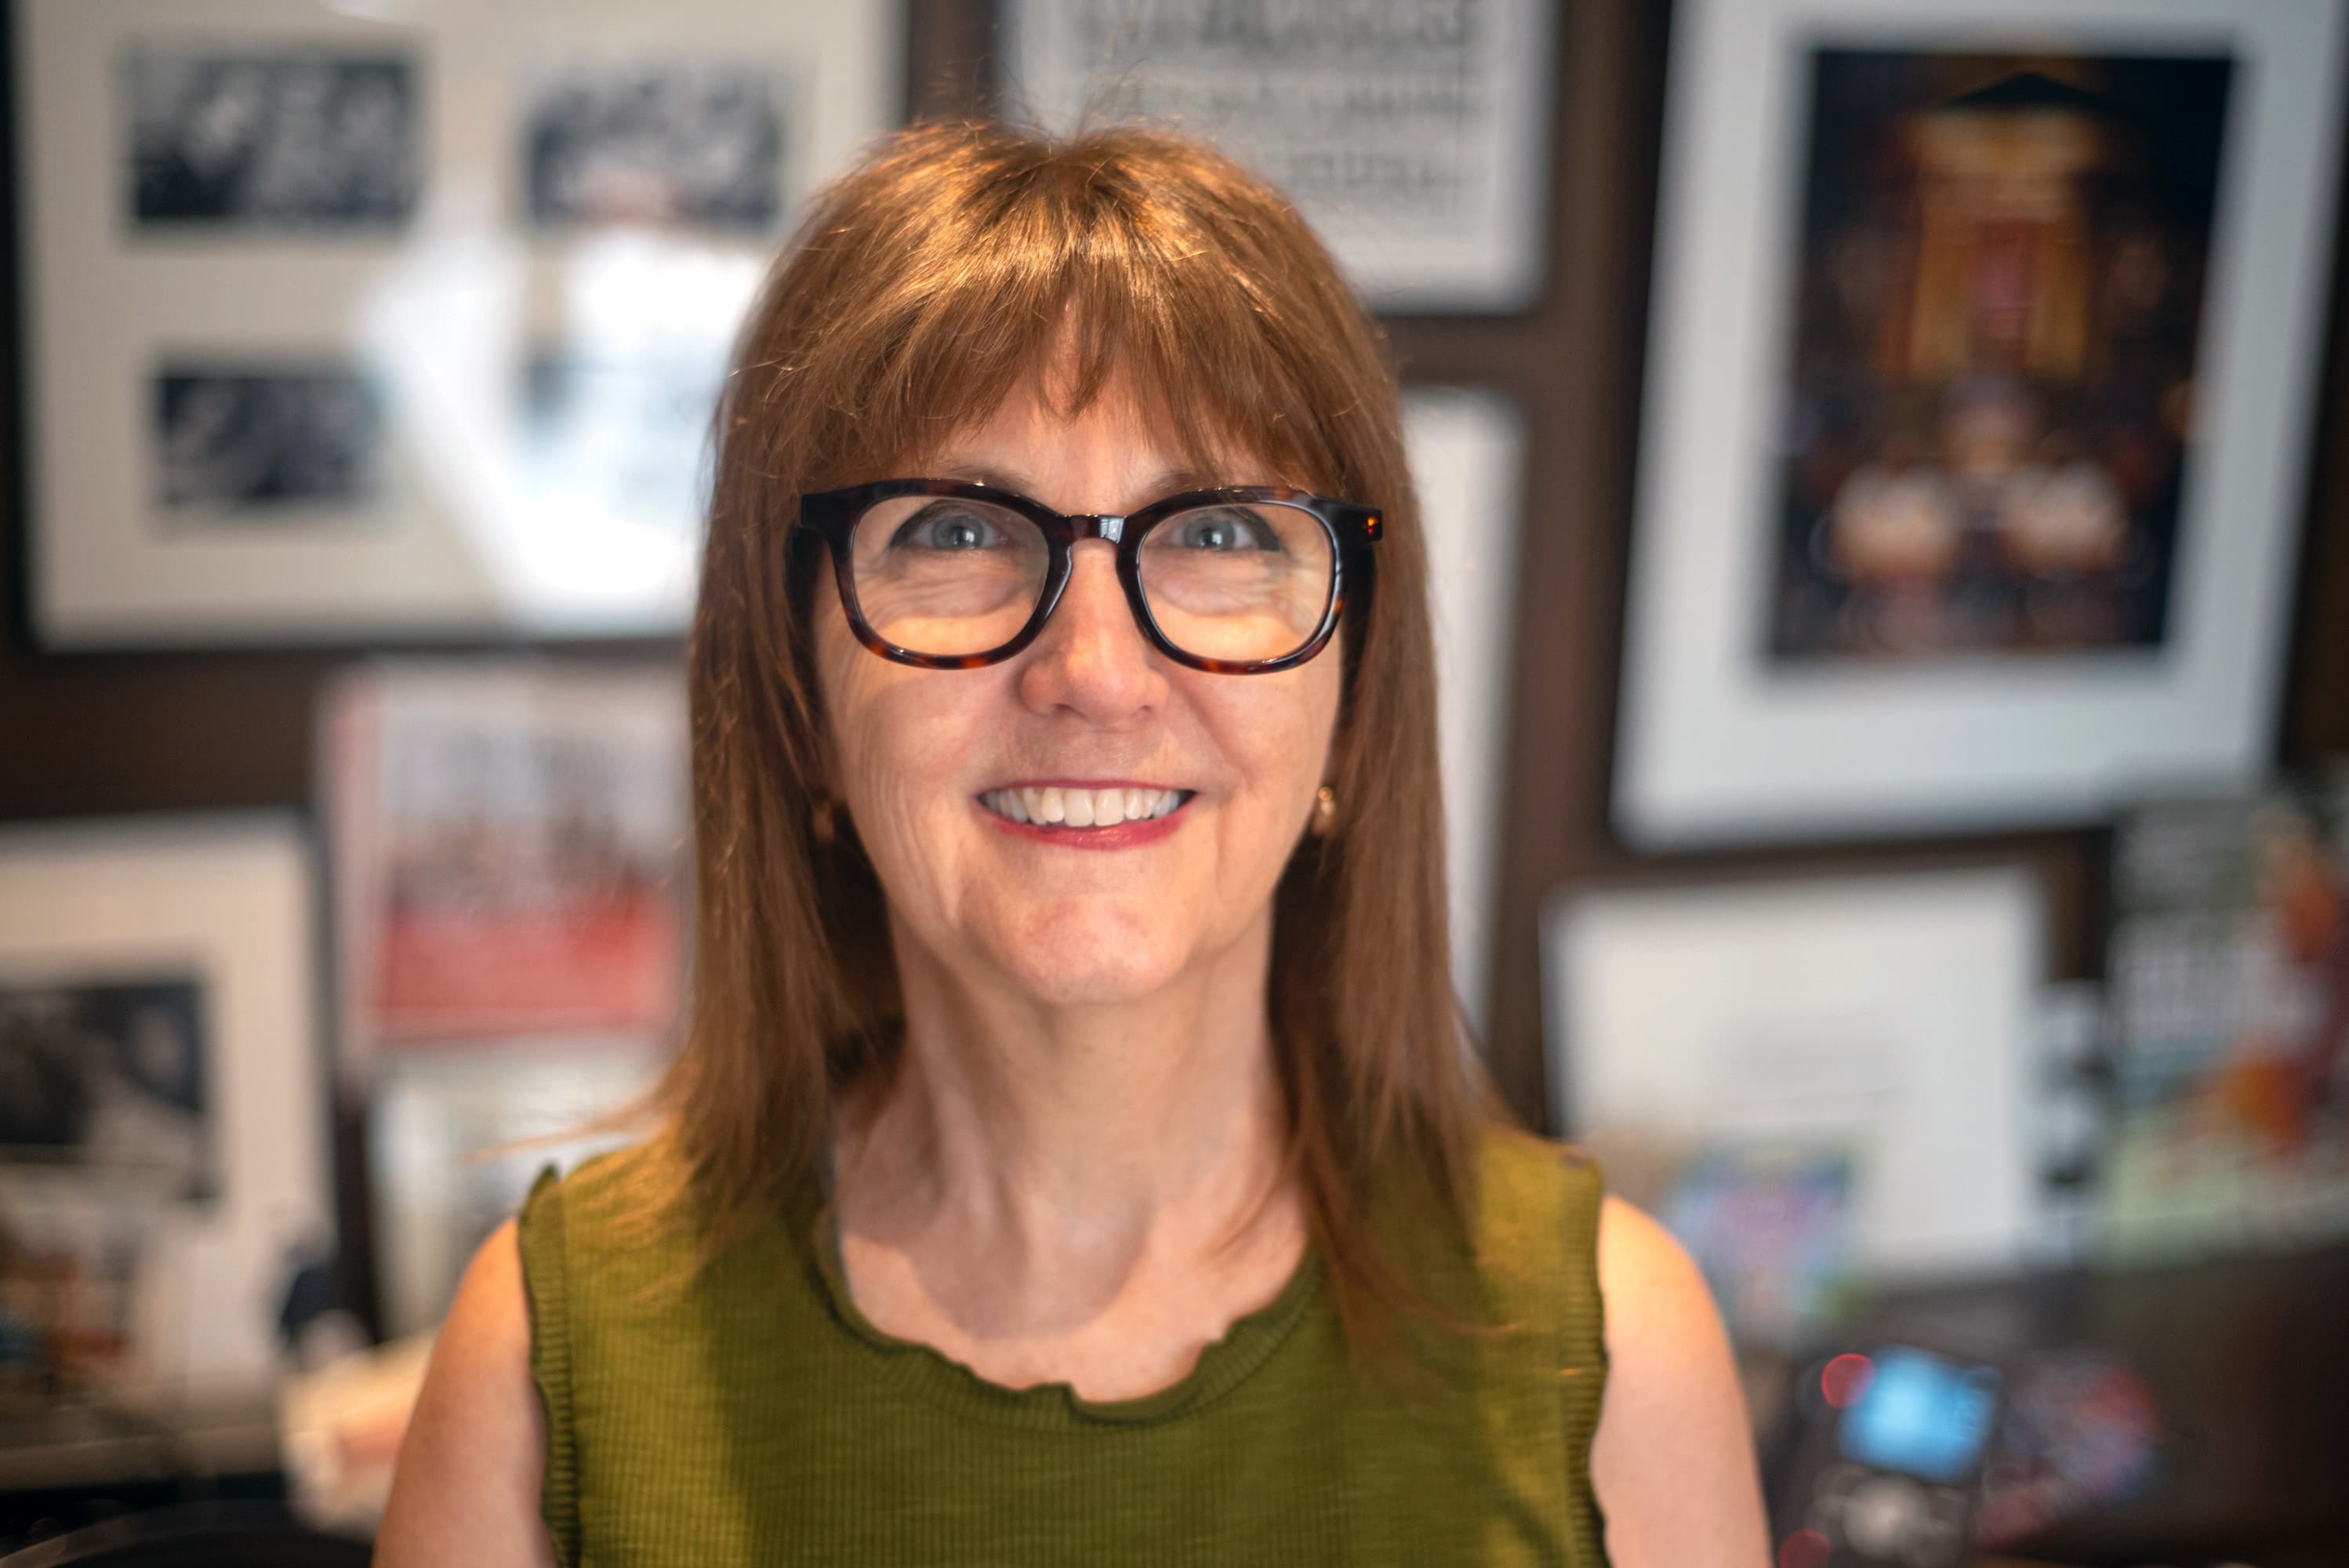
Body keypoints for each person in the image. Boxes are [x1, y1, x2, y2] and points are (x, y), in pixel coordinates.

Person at [376, 121, 1768, 1566]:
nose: (1096, 672)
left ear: (1352, 705)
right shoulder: (555, 1361)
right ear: (796, 700)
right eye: (956, 533)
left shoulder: (1610, 1356)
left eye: (1219, 535)